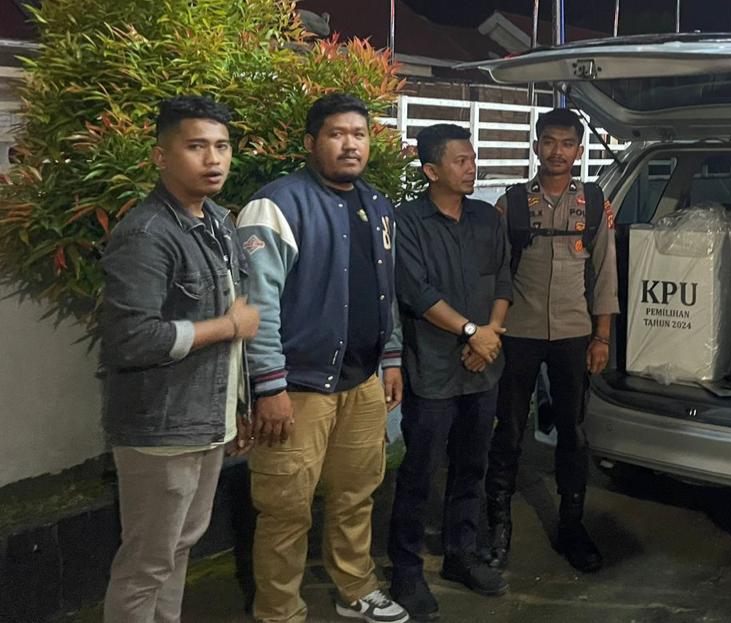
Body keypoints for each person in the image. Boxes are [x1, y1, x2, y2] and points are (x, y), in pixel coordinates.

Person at [237, 93, 407, 623]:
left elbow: (386, 289)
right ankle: (279, 611)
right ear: (312, 143)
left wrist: (391, 357)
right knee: (285, 509)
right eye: (337, 134)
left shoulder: (378, 205)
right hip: (297, 389)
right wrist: (269, 387)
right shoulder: (276, 205)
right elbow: (257, 305)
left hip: (362, 383)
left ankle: (355, 589)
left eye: (359, 134)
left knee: (357, 495)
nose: (350, 144)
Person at [99, 95, 258, 623]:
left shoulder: (218, 222)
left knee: (180, 547)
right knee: (147, 563)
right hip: (160, 427)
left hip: (204, 420)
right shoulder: (146, 234)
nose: (213, 159)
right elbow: (131, 339)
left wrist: (236, 409)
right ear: (160, 156)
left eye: (222, 146)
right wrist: (226, 328)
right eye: (196, 147)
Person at [387, 124, 513, 619]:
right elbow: (415, 292)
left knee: (471, 467)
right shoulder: (407, 222)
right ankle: (406, 569)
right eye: (461, 161)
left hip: (483, 367)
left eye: (473, 159)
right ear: (431, 170)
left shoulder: (485, 218)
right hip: (434, 368)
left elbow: (503, 278)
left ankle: (461, 554)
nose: (471, 168)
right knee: (419, 472)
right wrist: (471, 333)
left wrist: (491, 334)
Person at [485, 107, 618, 573]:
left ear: (579, 151)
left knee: (573, 433)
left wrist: (602, 336)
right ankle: (497, 527)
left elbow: (605, 274)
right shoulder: (513, 203)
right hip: (518, 332)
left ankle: (572, 526)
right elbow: (497, 271)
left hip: (574, 334)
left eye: (566, 143)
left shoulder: (595, 203)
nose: (557, 151)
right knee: (508, 430)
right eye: (549, 142)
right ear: (536, 146)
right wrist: (492, 329)